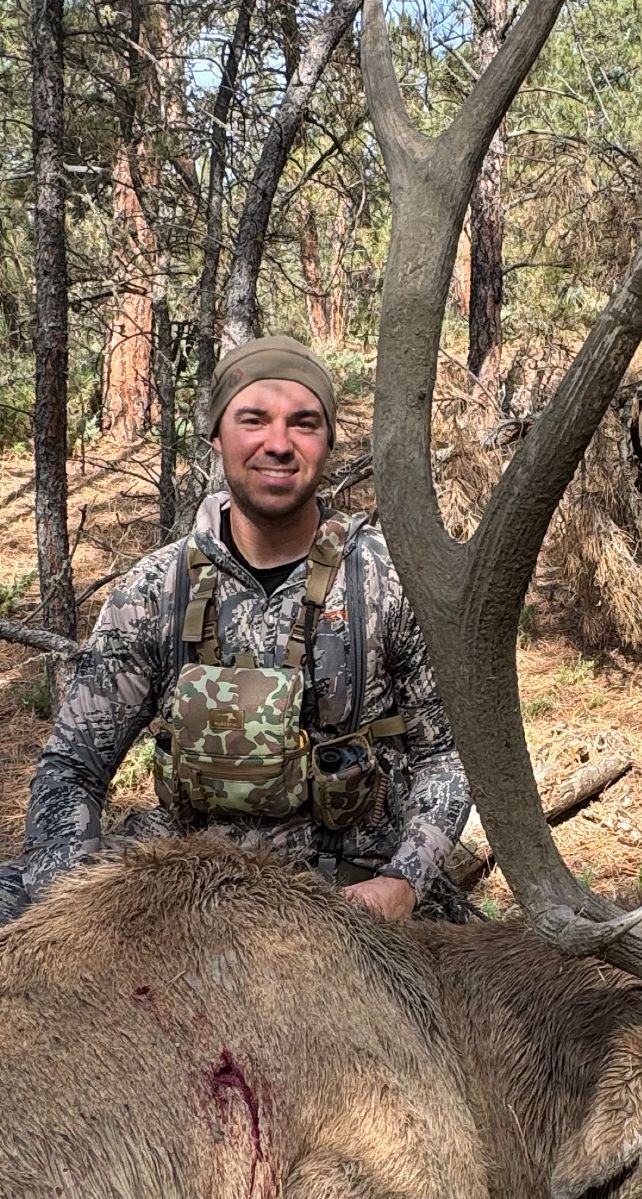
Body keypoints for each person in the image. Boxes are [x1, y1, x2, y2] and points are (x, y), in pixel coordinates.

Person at [6, 335, 470, 924]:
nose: (278, 443)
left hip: (345, 897)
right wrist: (70, 907)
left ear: (328, 443)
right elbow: (72, 766)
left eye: (304, 423)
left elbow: (449, 757)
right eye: (253, 420)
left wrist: (403, 882)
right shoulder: (154, 590)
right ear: (217, 438)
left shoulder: (390, 581)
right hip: (185, 889)